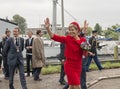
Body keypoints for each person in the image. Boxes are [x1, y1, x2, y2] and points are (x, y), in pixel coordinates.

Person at [44, 18, 87, 89]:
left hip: (78, 66)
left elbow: (85, 52)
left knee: (72, 86)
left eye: (72, 30)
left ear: (77, 31)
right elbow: (54, 37)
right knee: (77, 86)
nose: (70, 32)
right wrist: (48, 29)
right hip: (69, 65)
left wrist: (87, 51)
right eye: (69, 30)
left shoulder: (83, 40)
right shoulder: (67, 39)